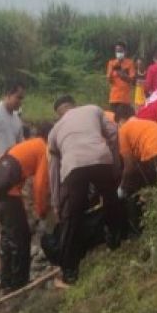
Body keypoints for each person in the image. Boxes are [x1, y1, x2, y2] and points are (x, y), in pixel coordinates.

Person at [47, 96, 128, 288]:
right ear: (74, 105)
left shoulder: (54, 131)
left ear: (59, 113)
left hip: (73, 167)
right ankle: (116, 241)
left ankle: (69, 272)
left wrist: (57, 203)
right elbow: (114, 133)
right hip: (101, 158)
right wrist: (115, 165)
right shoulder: (93, 108)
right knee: (111, 200)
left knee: (72, 217)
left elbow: (53, 170)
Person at [0, 126, 51, 290]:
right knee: (21, 236)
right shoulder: (44, 149)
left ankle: (6, 281)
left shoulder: (27, 144)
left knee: (8, 233)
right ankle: (19, 283)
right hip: (6, 188)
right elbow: (40, 185)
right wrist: (41, 211)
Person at [117, 113, 157, 233]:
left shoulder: (123, 130)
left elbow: (129, 166)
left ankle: (153, 226)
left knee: (151, 188)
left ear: (120, 121)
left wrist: (123, 186)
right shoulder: (144, 123)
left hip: (152, 153)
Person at [106, 41, 137, 118]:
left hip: (124, 98)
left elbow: (132, 80)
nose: (118, 53)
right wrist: (110, 74)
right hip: (113, 98)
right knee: (113, 119)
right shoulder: (111, 63)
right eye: (117, 51)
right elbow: (109, 80)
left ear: (125, 52)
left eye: (120, 51)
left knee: (123, 120)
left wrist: (122, 75)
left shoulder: (130, 63)